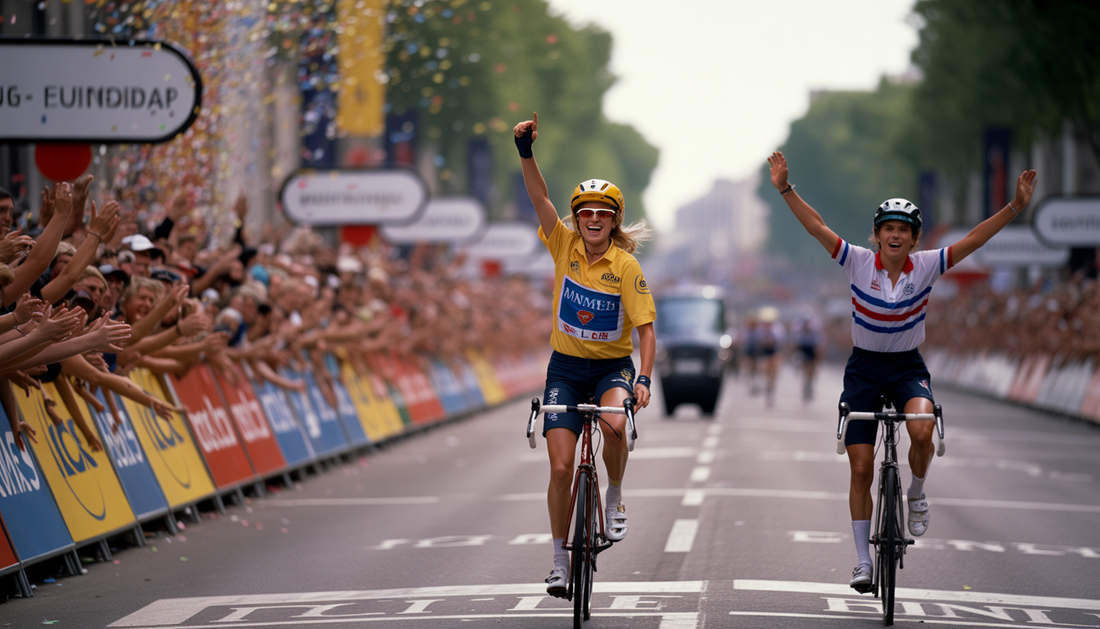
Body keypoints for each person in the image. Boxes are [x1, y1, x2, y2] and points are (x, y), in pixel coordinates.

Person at [767, 150, 1037, 592]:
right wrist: (784, 188)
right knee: (859, 469)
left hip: (908, 365)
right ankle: (862, 562)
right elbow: (816, 226)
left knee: (924, 430)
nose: (895, 236)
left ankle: (915, 492)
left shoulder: (928, 264)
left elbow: (973, 242)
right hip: (864, 369)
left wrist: (1014, 208)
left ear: (915, 240)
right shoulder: (856, 261)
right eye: (888, 229)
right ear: (876, 236)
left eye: (904, 230)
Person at [514, 113, 656, 597]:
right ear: (577, 219)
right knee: (559, 467)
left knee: (615, 425)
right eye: (586, 213)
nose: (593, 220)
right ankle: (558, 561)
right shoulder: (563, 244)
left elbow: (647, 332)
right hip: (567, 369)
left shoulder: (627, 265)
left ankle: (614, 496)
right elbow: (539, 198)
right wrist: (526, 152)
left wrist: (645, 380)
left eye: (603, 213)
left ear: (614, 221)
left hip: (613, 368)